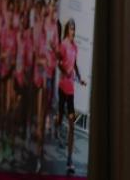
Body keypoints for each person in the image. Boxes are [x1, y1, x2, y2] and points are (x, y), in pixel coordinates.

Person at [58, 19, 84, 174]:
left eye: (74, 29)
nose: (72, 32)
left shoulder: (75, 47)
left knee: (72, 124)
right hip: (62, 86)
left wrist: (79, 77)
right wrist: (64, 70)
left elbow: (74, 64)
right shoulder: (63, 44)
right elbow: (59, 62)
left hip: (71, 90)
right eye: (70, 29)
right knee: (60, 118)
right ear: (67, 30)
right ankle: (56, 127)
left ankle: (69, 159)